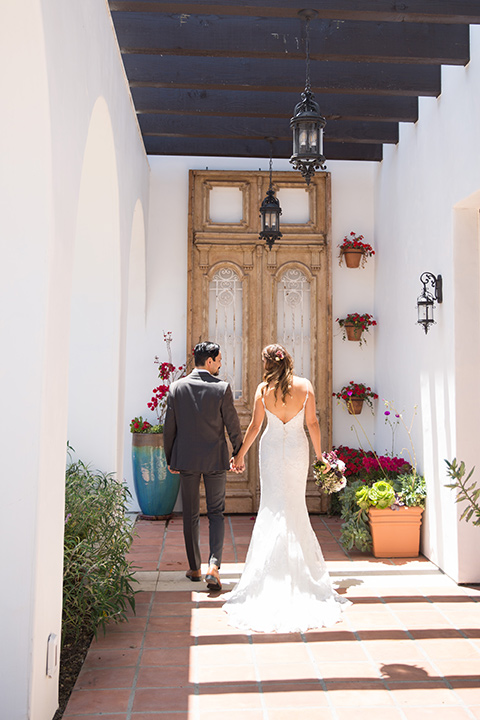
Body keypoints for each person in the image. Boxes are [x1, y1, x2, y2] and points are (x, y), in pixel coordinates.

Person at [224, 343, 350, 632]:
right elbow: (313, 423)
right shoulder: (305, 386)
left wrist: (240, 455)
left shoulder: (262, 390)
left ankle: (269, 573)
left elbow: (255, 427)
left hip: (270, 451)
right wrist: (321, 458)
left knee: (273, 504)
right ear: (289, 361)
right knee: (294, 506)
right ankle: (298, 573)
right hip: (296, 449)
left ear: (267, 365)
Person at [164, 341, 243, 591]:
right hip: (215, 460)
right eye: (219, 359)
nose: (220, 363)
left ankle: (195, 568)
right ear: (209, 361)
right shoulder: (221, 388)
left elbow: (169, 429)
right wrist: (238, 452)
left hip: (186, 459)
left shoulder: (176, 388)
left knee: (190, 513)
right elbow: (233, 425)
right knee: (216, 512)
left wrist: (171, 459)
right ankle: (214, 566)